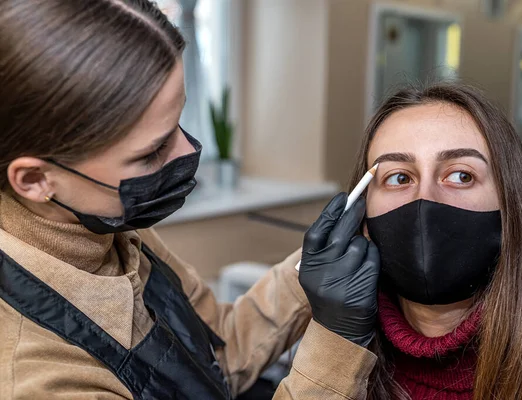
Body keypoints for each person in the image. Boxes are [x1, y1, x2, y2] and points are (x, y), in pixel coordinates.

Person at [0, 1, 380, 399]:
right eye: (153, 150)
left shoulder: (116, 228)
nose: (187, 153)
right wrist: (336, 343)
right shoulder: (35, 378)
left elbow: (221, 352)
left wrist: (309, 271)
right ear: (35, 179)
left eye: (179, 121)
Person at [284, 83, 522, 400]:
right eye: (399, 177)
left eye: (461, 175)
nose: (426, 201)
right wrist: (335, 344)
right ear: (361, 218)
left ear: (511, 208)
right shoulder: (329, 351)